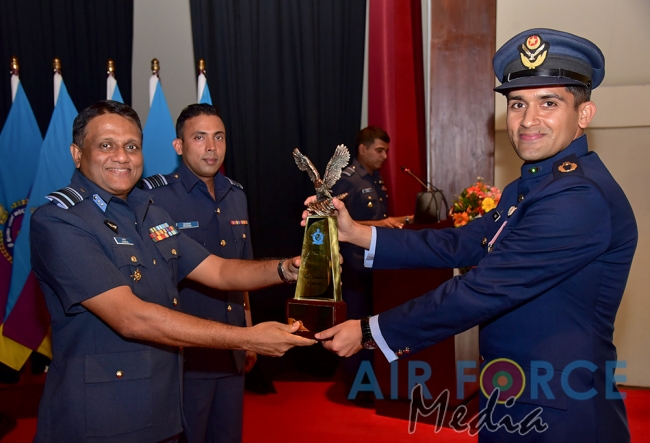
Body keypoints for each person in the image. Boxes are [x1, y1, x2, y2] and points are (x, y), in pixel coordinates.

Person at [314, 29, 637, 442]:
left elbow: (485, 288)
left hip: (562, 411)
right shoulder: (534, 186)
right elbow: (460, 242)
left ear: (584, 114)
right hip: (517, 394)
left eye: (549, 103)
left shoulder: (579, 196)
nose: (528, 120)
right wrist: (357, 232)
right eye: (517, 104)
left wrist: (369, 331)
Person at [30, 100, 315, 442]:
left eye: (131, 146)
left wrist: (288, 269)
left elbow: (220, 271)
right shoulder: (59, 221)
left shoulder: (151, 213)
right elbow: (131, 317)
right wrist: (247, 338)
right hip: (101, 418)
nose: (122, 157)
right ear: (77, 154)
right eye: (106, 145)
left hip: (163, 410)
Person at [142, 104, 253, 443]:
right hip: (186, 357)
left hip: (232, 353)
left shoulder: (236, 195)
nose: (211, 147)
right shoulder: (154, 199)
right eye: (199, 137)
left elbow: (243, 271)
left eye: (219, 137)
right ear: (179, 146)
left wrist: (249, 334)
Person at [329, 126, 412, 399]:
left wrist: (406, 220)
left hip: (375, 267)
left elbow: (379, 221)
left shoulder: (376, 179)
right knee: (355, 326)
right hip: (354, 269)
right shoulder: (348, 180)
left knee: (371, 329)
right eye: (379, 150)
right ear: (362, 149)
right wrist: (379, 224)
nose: (384, 156)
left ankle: (371, 386)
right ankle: (356, 390)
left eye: (386, 151)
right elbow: (333, 222)